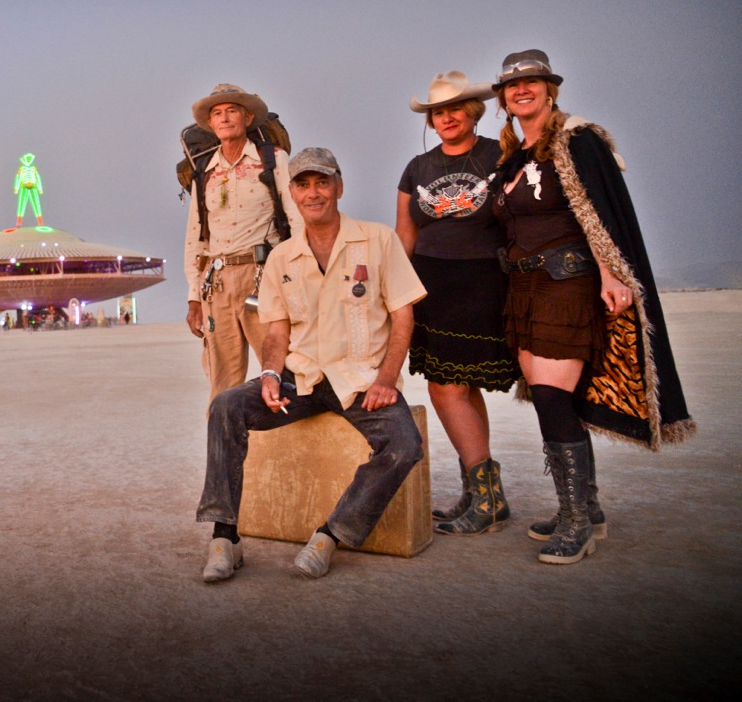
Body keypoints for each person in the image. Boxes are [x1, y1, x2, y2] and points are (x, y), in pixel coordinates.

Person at [490, 49, 695, 565]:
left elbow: (597, 213)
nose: (522, 91)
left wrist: (610, 273)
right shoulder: (514, 155)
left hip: (567, 282)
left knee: (554, 396)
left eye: (532, 82)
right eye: (513, 86)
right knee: (547, 396)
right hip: (524, 289)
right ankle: (586, 508)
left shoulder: (577, 139)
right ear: (503, 98)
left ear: (550, 88)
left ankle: (577, 523)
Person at [198, 148, 427, 582]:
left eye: (322, 182)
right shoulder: (282, 256)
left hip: (359, 380)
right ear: (292, 192)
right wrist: (269, 373)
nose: (313, 193)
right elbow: (278, 331)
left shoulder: (377, 240)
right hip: (299, 380)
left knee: (403, 445)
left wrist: (387, 379)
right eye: (303, 184)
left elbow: (402, 315)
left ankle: (330, 535)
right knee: (227, 405)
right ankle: (224, 536)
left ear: (339, 187)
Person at [396, 72, 519, 536]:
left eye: (455, 110)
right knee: (455, 387)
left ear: (473, 112)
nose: (446, 118)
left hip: (483, 279)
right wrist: (396, 289)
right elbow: (405, 233)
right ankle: (482, 494)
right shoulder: (417, 166)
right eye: (438, 112)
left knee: (449, 388)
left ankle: (486, 496)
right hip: (431, 282)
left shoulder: (499, 154)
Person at [184, 84, 302, 404]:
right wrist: (194, 299)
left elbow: (296, 218)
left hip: (264, 277)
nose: (224, 119)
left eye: (232, 111)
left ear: (247, 117)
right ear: (210, 124)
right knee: (222, 381)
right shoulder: (203, 172)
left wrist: (303, 274)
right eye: (217, 113)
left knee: (279, 369)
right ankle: (222, 450)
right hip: (217, 282)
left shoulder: (273, 160)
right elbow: (196, 236)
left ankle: (278, 448)